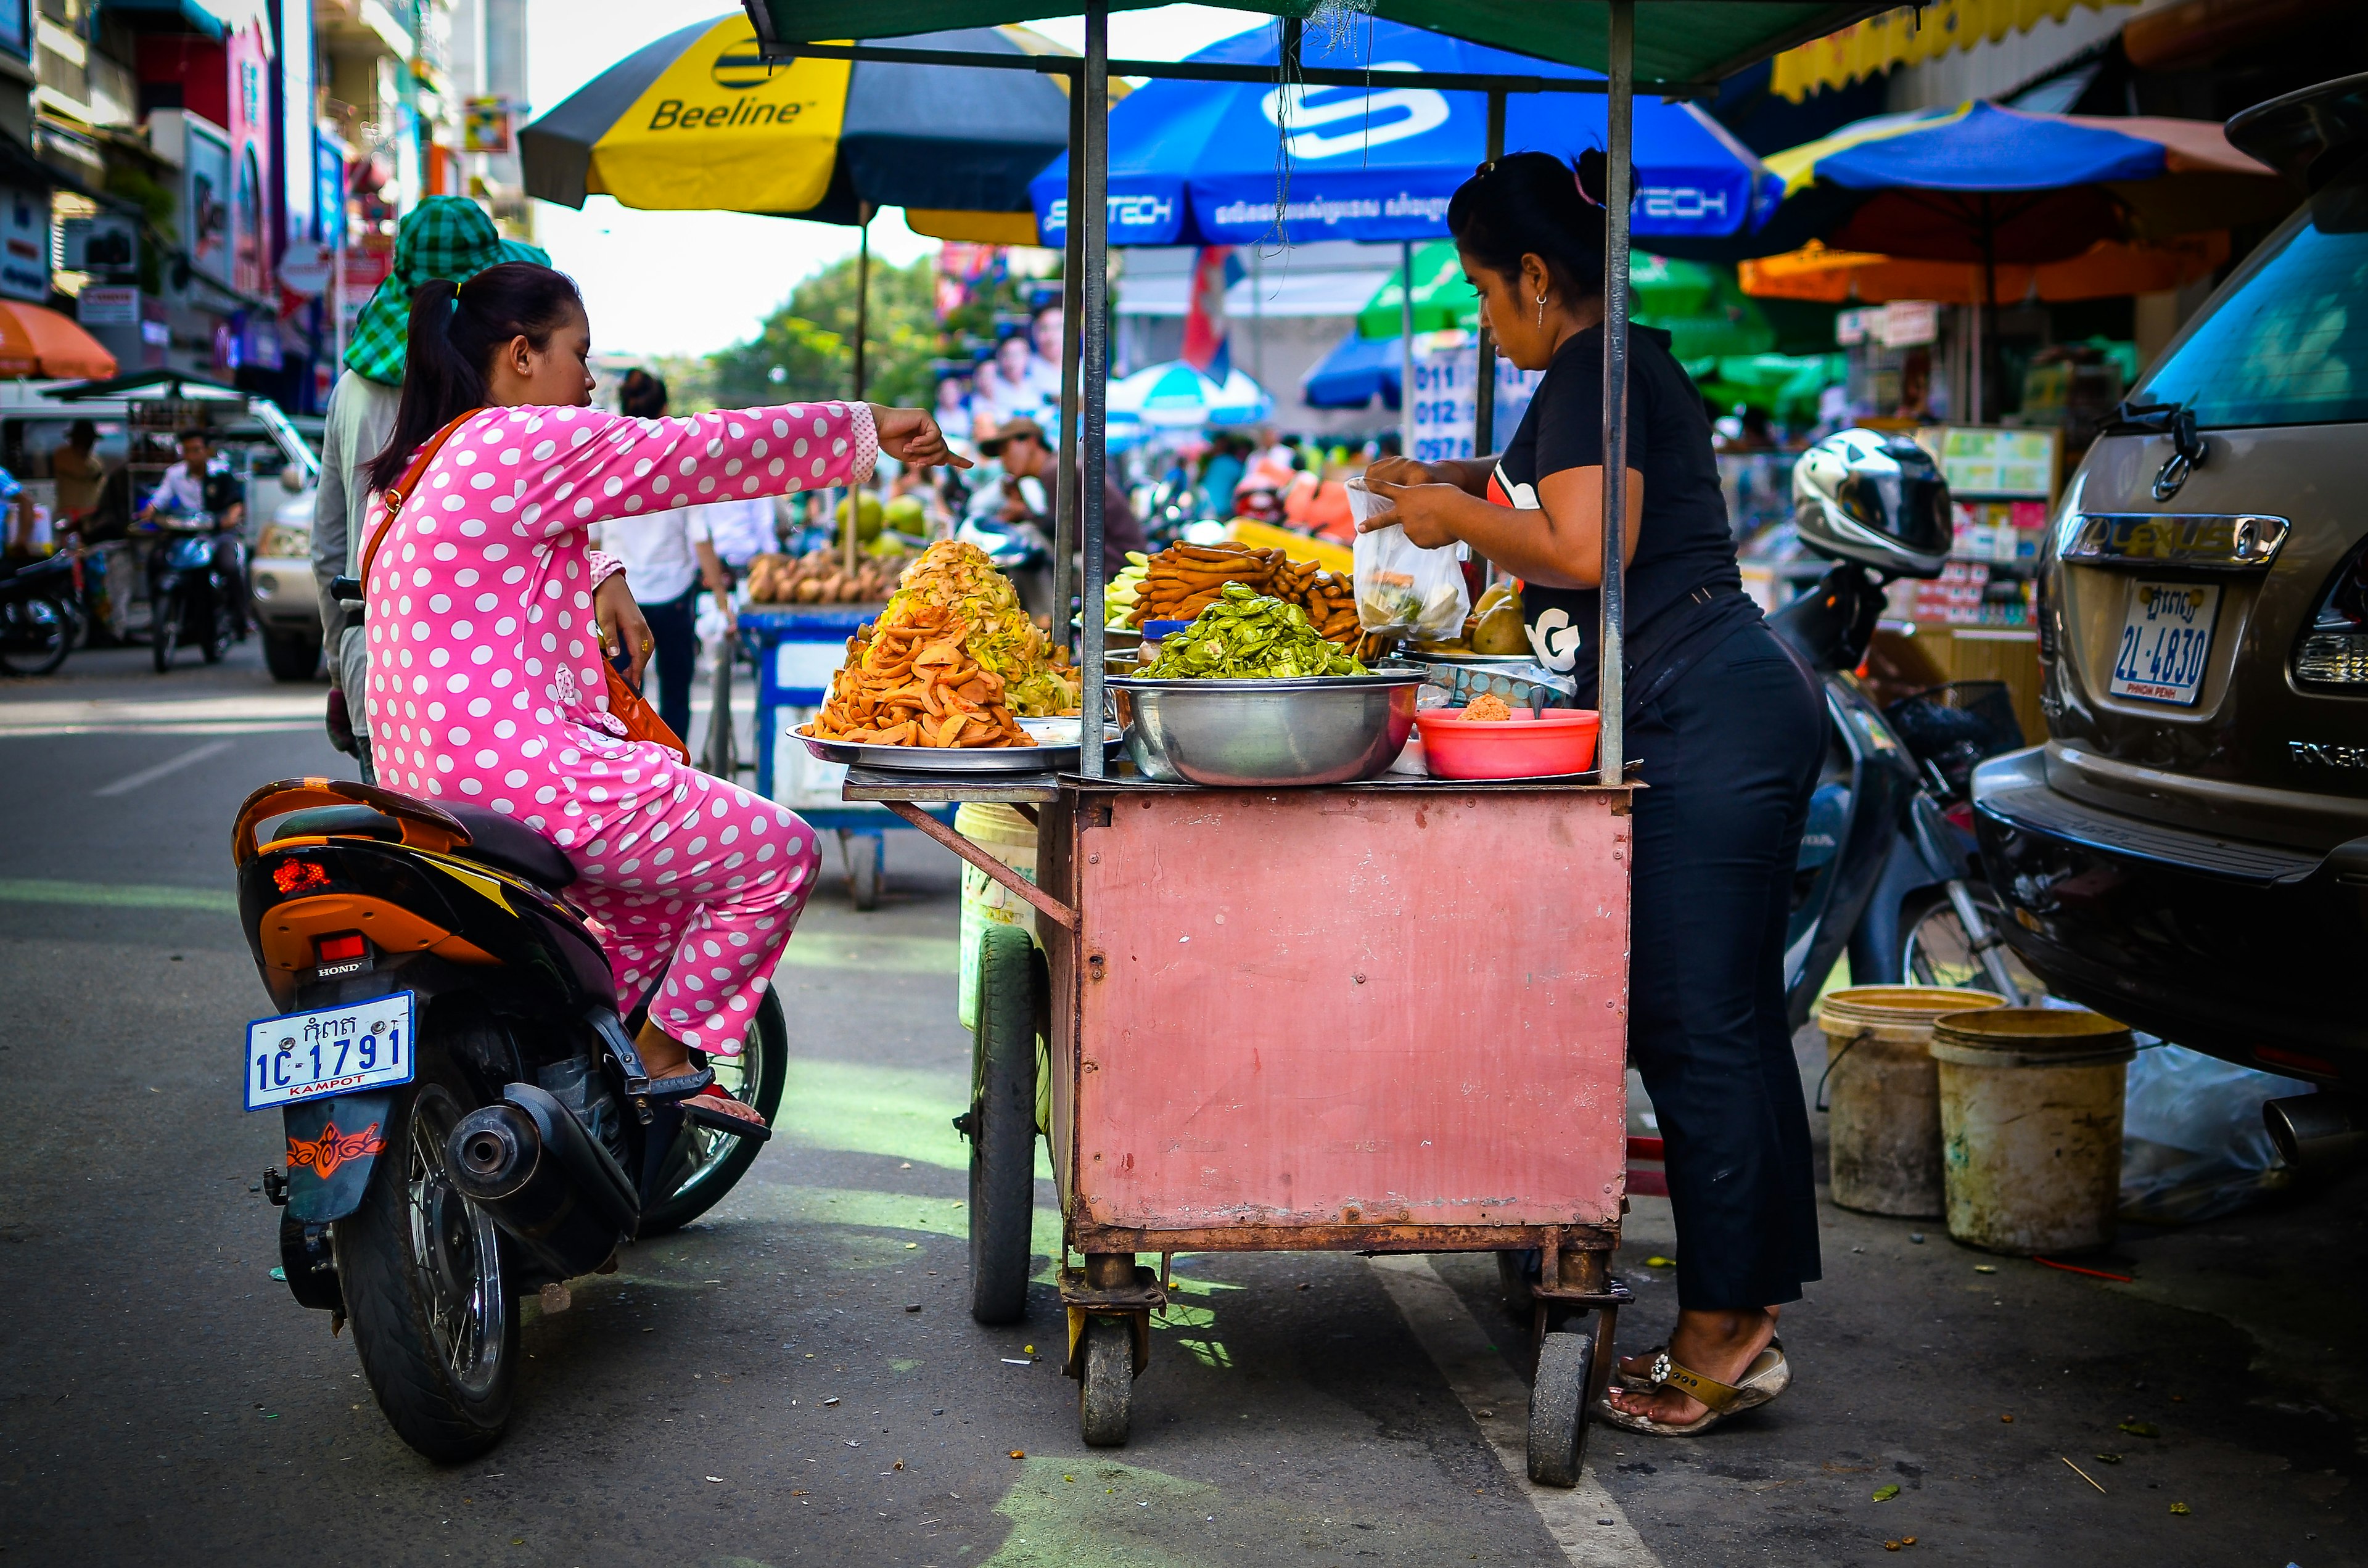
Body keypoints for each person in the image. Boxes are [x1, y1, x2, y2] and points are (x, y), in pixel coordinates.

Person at [1360, 150, 1823, 1437]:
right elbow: (1536, 497)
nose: (1478, 317)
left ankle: (1733, 1328)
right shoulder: (1586, 376)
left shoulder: (1598, 367)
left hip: (1709, 711)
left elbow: (1579, 545)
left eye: (1481, 292)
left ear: (1534, 275)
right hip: (1684, 705)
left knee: (1701, 1019)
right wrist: (1443, 485)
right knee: (1693, 1010)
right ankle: (1726, 1294)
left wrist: (1454, 526)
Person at [358, 261, 966, 1126]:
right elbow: (697, 450)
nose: (592, 378)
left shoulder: (411, 472)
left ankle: (575, 1091)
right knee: (778, 853)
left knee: (637, 913)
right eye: (580, 352)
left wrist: (602, 573)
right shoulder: (521, 439)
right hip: (530, 786)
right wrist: (864, 425)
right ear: (523, 353)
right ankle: (664, 1050)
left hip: (426, 791)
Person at [313, 195, 548, 780]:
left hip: (384, 676)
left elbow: (328, 551)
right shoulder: (508, 389)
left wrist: (343, 671)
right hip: (504, 690)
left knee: (405, 864)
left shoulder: (352, 393)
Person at [586, 369, 710, 740]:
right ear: (667, 408)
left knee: (623, 694)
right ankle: (678, 774)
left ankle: (625, 773)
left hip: (621, 597)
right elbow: (700, 537)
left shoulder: (606, 465)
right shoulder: (682, 466)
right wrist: (720, 598)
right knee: (676, 692)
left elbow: (592, 540)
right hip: (672, 596)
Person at [973, 416, 1146, 575]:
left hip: (1115, 563)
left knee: (1027, 561)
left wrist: (1023, 513)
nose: (1003, 460)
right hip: (1108, 558)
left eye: (1006, 450)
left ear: (1031, 442)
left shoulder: (1055, 470)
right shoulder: (1055, 467)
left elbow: (1071, 539)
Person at [51, 419, 105, 520]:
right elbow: (83, 472)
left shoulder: (96, 461)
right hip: (68, 515)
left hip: (91, 515)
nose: (88, 443)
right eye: (83, 439)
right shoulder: (63, 455)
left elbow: (101, 485)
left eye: (90, 439)